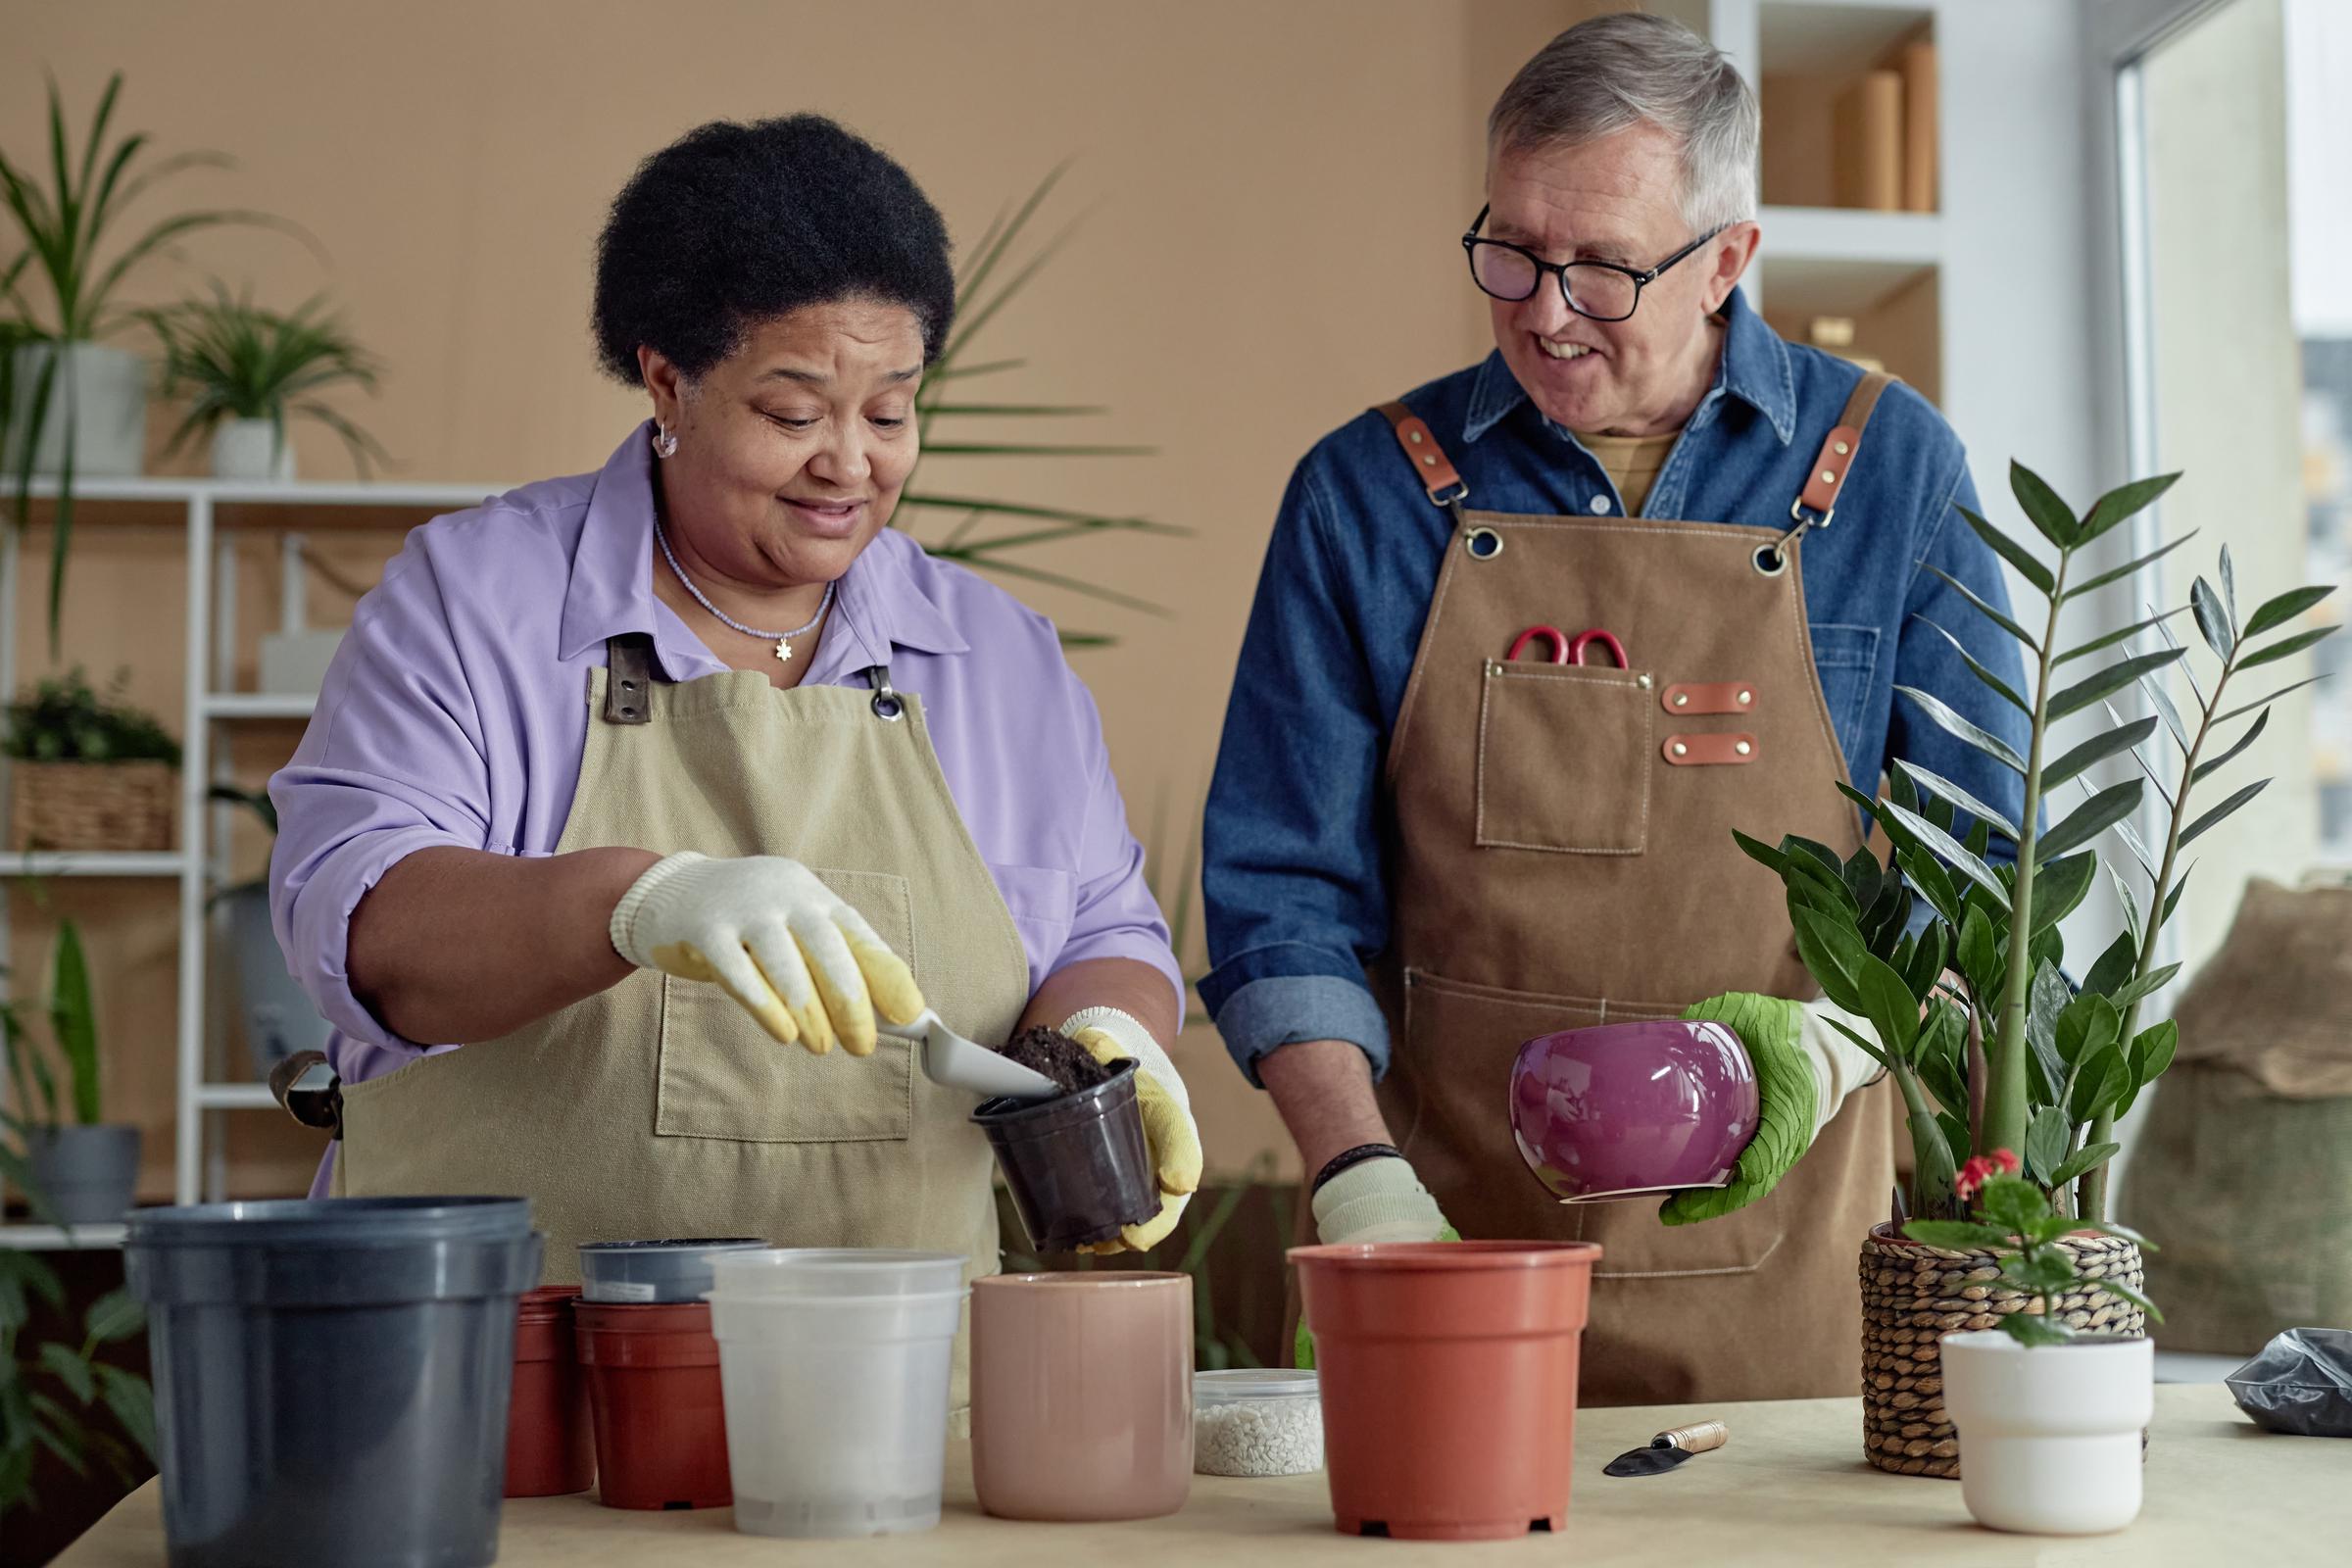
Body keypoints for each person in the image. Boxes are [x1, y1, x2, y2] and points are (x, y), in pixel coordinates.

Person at [268, 117, 1200, 1396]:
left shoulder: (997, 657)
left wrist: (1110, 1029)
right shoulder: (477, 599)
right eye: (793, 411)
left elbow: (1102, 924)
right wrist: (637, 904)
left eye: (891, 410)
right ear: (665, 383)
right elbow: (368, 929)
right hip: (500, 1405)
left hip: (893, 1413)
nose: (852, 464)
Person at [1200, 14, 2030, 1403]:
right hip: (1443, 1250)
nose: (1540, 305)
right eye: (1511, 247)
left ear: (1727, 261)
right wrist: (1357, 1180)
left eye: (1600, 266)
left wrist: (1844, 1042)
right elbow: (1284, 891)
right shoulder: (1363, 496)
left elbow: (1986, 879)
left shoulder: (1888, 475)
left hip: (1795, 1279)